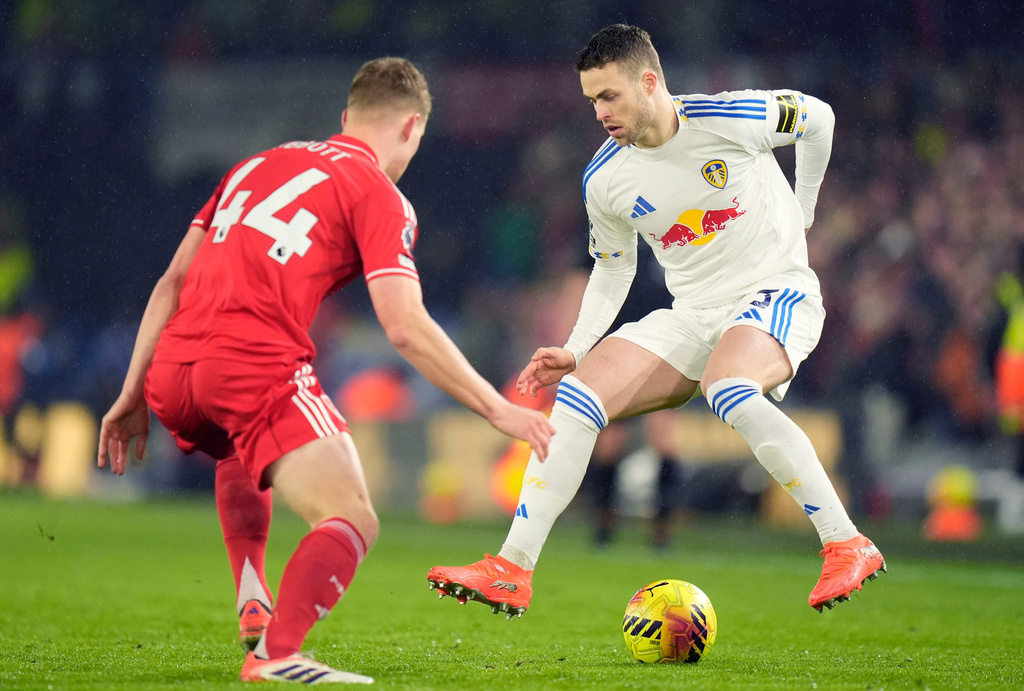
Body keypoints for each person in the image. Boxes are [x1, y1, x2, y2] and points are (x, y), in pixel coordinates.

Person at [98, 57, 554, 684]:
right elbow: (404, 325)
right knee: (352, 518)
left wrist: (130, 393)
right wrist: (494, 405)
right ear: (413, 127)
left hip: (172, 371)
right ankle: (278, 654)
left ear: (345, 117)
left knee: (240, 444)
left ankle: (253, 595)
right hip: (251, 362)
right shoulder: (380, 194)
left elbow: (172, 281)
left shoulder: (254, 164)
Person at [427, 24, 885, 617]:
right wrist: (576, 347)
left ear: (650, 82)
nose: (599, 112)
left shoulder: (729, 118)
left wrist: (805, 209)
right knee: (579, 396)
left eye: (609, 95)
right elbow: (612, 268)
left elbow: (818, 118)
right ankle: (512, 568)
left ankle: (846, 542)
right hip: (693, 314)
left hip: (776, 292)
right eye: (591, 99)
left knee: (729, 386)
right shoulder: (605, 177)